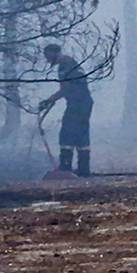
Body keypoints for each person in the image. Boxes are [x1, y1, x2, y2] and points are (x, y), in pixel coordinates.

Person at [39, 44, 94, 177]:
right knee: (82, 134)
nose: (47, 60)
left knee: (66, 135)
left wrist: (49, 101)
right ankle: (84, 169)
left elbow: (65, 89)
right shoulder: (73, 63)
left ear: (54, 54)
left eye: (48, 56)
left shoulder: (64, 67)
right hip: (86, 103)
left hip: (76, 104)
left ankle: (65, 167)